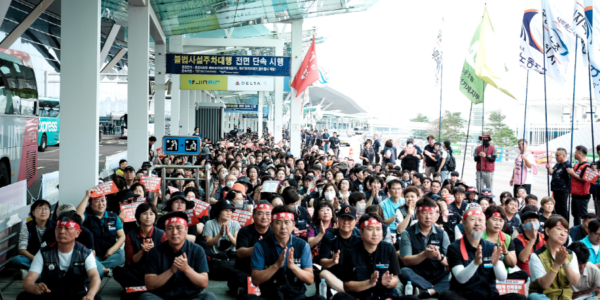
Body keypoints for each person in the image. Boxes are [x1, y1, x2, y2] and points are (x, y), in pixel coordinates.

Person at [446, 203, 524, 300]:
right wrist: (475, 263)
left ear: (485, 223)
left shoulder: (492, 247)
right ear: (464, 223)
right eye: (473, 219)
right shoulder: (454, 248)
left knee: (520, 298)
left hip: (489, 295)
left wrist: (495, 264)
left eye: (480, 220)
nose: (477, 223)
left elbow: (502, 278)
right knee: (447, 296)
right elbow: (461, 279)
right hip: (464, 296)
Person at [17, 213, 101, 300]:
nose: (61, 231)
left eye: (67, 228)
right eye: (59, 227)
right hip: (51, 294)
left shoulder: (85, 253)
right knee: (24, 297)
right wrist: (34, 288)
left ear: (77, 233)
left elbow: (95, 277)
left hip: (77, 294)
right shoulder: (43, 252)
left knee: (96, 298)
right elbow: (28, 281)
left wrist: (90, 295)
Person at [249, 205, 324, 300]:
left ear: (293, 225)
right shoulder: (260, 246)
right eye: (278, 223)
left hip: (297, 297)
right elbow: (255, 280)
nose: (283, 227)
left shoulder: (303, 245)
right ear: (271, 226)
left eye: (287, 222)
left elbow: (309, 280)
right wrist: (276, 265)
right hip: (270, 296)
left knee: (320, 299)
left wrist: (293, 266)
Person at [141, 211, 216, 300]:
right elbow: (150, 285)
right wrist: (171, 271)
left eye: (178, 227)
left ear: (186, 230)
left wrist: (186, 269)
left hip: (190, 297)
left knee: (209, 297)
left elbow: (203, 283)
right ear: (165, 231)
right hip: (163, 296)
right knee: (145, 297)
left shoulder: (197, 250)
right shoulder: (154, 252)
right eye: (170, 228)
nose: (174, 232)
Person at [339, 213, 407, 300]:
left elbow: (395, 280)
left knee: (412, 299)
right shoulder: (350, 252)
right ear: (361, 232)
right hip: (362, 297)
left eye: (378, 229)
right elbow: (347, 286)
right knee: (339, 297)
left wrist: (383, 283)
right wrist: (369, 283)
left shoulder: (389, 248)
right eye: (370, 229)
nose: (375, 233)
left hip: (385, 296)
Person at [399, 197, 450, 299]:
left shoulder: (442, 234)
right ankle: (435, 289)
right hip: (416, 275)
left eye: (431, 213)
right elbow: (406, 261)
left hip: (437, 275)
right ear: (417, 214)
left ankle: (428, 291)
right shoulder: (407, 233)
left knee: (454, 273)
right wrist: (424, 255)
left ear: (436, 215)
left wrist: (440, 257)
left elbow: (450, 261)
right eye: (424, 213)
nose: (428, 217)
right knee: (404, 271)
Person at [113, 203, 167, 289]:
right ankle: (147, 287)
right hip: (136, 271)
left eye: (151, 214)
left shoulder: (162, 235)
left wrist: (153, 251)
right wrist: (142, 251)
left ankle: (137, 288)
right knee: (117, 271)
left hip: (155, 271)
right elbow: (131, 261)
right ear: (138, 216)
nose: (148, 217)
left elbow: (164, 260)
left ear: (155, 216)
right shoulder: (131, 234)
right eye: (144, 213)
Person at [76, 189, 126, 278]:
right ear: (90, 204)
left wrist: (111, 251)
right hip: (93, 254)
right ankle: (104, 269)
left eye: (103, 201)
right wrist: (87, 196)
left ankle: (97, 267)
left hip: (109, 254)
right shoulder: (87, 216)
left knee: (122, 254)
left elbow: (122, 236)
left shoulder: (113, 217)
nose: (101, 204)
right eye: (97, 201)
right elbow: (77, 216)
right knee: (86, 258)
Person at [528, 216, 580, 300]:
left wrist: (565, 263)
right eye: (559, 229)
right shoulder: (537, 255)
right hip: (544, 297)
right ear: (547, 231)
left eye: (566, 231)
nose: (563, 233)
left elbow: (574, 282)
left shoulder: (571, 254)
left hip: (565, 298)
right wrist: (557, 264)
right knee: (534, 297)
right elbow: (544, 285)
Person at [228, 201, 273, 297]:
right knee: (234, 275)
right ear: (253, 215)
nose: (264, 217)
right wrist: (259, 247)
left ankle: (248, 291)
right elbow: (240, 253)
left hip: (267, 271)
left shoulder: (275, 231)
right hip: (247, 271)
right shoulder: (244, 231)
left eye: (268, 214)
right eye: (260, 213)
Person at [319, 205, 362, 293]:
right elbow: (322, 261)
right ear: (338, 220)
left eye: (349, 219)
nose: (346, 222)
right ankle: (350, 293)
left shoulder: (361, 236)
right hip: (336, 277)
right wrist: (332, 261)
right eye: (343, 218)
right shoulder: (329, 237)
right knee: (324, 274)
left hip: (356, 276)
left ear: (355, 221)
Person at [14, 199, 55, 273]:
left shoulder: (55, 226)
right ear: (33, 212)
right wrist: (35, 259)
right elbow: (22, 250)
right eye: (39, 209)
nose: (43, 211)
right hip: (32, 257)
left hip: (50, 258)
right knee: (17, 260)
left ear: (49, 212)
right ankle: (42, 272)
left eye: (46, 209)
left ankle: (30, 272)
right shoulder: (27, 227)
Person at [514, 209, 546, 276]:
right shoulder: (517, 240)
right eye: (528, 221)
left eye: (534, 220)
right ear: (523, 225)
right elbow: (522, 259)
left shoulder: (545, 238)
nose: (532, 223)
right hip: (526, 278)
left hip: (544, 276)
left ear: (539, 223)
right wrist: (532, 240)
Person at [567, 145, 593, 226]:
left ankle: (584, 232)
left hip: (582, 195)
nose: (574, 154)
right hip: (574, 193)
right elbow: (574, 175)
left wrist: (572, 173)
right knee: (575, 215)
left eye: (575, 153)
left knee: (583, 216)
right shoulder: (576, 164)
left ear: (580, 153)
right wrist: (570, 173)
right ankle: (576, 230)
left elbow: (585, 179)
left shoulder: (588, 166)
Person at [546, 148, 571, 221]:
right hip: (555, 189)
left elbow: (570, 177)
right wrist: (549, 167)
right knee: (556, 208)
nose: (556, 157)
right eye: (555, 155)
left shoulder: (568, 165)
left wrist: (570, 173)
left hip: (562, 190)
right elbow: (551, 172)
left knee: (562, 209)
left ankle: (565, 224)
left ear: (563, 155)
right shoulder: (558, 164)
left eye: (557, 155)